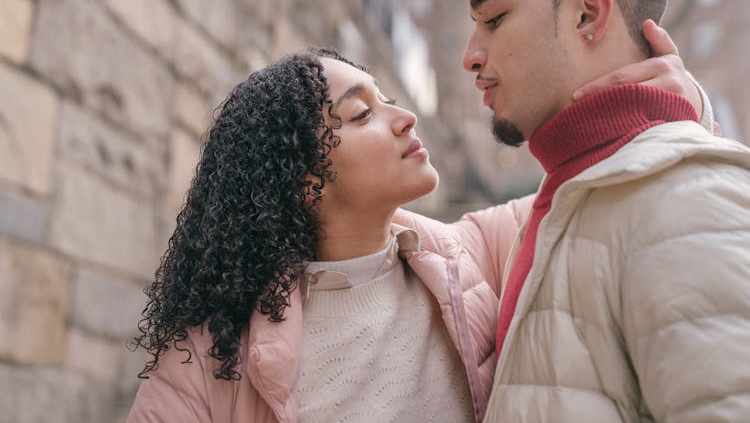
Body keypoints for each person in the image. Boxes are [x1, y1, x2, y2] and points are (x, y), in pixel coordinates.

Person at [126, 40, 703, 422]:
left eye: (390, 100)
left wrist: (681, 105)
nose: (405, 118)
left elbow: (623, 187)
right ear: (303, 181)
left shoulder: (476, 254)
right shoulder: (204, 361)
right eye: (361, 114)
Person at [440, 0, 750, 421]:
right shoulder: (572, 193)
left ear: (588, 14)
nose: (471, 55)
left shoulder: (688, 198)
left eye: (494, 18)